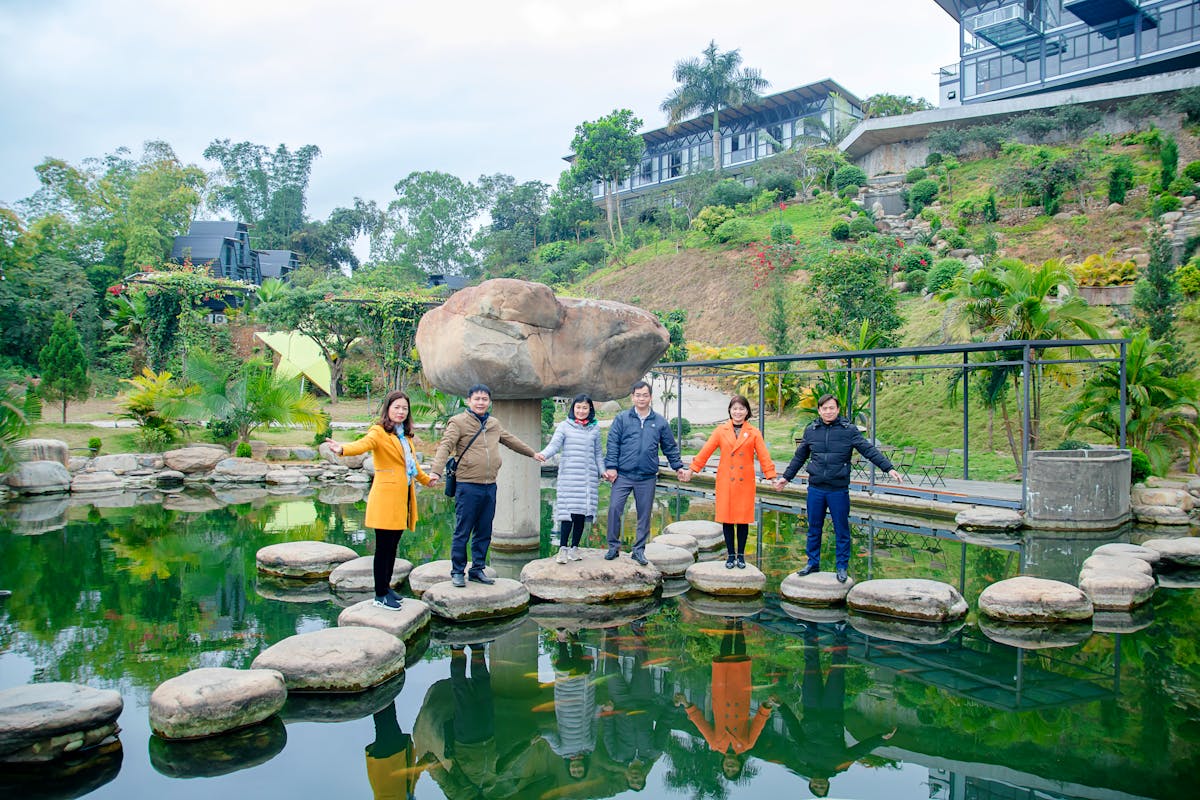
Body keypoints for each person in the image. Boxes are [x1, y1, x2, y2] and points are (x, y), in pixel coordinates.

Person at [773, 394, 902, 583]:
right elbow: (799, 457)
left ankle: (841, 566)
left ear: (838, 409)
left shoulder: (848, 430)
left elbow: (868, 450)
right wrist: (786, 478)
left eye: (831, 408)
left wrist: (888, 468)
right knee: (814, 528)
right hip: (816, 488)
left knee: (841, 529)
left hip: (838, 489)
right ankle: (812, 562)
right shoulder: (811, 430)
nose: (828, 411)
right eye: (824, 408)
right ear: (819, 411)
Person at [326, 390, 433, 609]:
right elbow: (362, 444)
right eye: (397, 407)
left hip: (402, 498)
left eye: (404, 408)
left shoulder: (404, 436)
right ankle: (380, 594)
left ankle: (387, 588)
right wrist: (342, 449)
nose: (401, 411)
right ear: (388, 409)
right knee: (383, 548)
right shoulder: (378, 432)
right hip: (385, 498)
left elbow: (411, 465)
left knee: (392, 547)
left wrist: (426, 480)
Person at [430, 383, 538, 588]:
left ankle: (477, 569)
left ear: (489, 402)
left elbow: (510, 440)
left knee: (484, 530)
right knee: (463, 530)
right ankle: (457, 571)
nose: (481, 402)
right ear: (468, 401)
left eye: (484, 399)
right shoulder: (459, 422)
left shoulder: (493, 423)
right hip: (467, 485)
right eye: (477, 399)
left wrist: (532, 453)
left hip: (489, 485)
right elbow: (446, 445)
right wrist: (436, 470)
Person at [674, 617, 774, 781]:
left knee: (724, 660)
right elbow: (758, 723)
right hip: (740, 696)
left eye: (727, 769)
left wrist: (686, 704)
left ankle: (729, 623)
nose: (730, 767)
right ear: (740, 765)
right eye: (733, 769)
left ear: (723, 765)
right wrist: (767, 706)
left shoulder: (715, 744)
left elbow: (700, 723)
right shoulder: (747, 744)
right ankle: (740, 623)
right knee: (741, 660)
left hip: (720, 695)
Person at [604, 380, 690, 565]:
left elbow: (669, 447)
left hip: (647, 476)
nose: (641, 398)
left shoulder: (659, 422)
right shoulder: (622, 419)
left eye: (645, 395)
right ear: (632, 397)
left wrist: (678, 467)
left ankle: (639, 550)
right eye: (638, 395)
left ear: (650, 397)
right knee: (614, 509)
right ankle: (613, 547)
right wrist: (611, 466)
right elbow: (612, 444)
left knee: (644, 514)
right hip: (623, 475)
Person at [689, 395, 776, 569]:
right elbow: (706, 451)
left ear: (747, 412)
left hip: (745, 483)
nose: (738, 412)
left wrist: (772, 477)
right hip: (726, 481)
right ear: (730, 410)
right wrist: (692, 470)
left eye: (741, 409)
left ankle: (741, 556)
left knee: (742, 520)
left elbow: (764, 456)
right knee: (727, 519)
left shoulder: (753, 432)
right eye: (734, 408)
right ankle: (730, 556)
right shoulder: (721, 430)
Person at [534, 393, 604, 564]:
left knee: (581, 514)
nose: (581, 411)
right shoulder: (565, 426)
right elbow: (555, 445)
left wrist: (603, 471)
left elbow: (598, 454)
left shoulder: (594, 428)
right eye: (578, 407)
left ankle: (574, 548)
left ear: (590, 409)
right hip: (569, 477)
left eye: (584, 407)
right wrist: (543, 454)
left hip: (587, 478)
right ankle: (562, 549)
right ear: (573, 408)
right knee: (567, 514)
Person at [364, 700, 418, 800]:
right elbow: (411, 778)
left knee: (385, 720)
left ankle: (379, 691)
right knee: (386, 721)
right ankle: (380, 692)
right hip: (390, 759)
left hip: (389, 760)